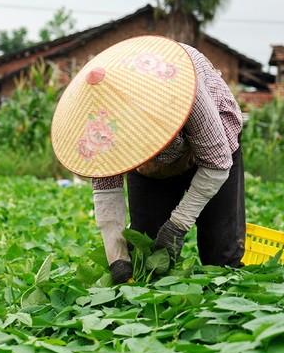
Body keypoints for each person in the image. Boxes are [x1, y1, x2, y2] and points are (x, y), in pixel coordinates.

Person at [50, 35, 245, 284]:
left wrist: (178, 225)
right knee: (146, 255)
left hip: (211, 155)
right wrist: (117, 257)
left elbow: (217, 163)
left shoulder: (186, 90)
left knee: (221, 256)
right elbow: (106, 190)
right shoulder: (101, 125)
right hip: (150, 173)